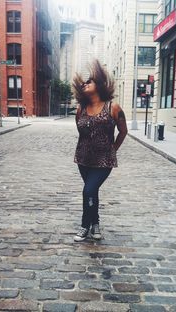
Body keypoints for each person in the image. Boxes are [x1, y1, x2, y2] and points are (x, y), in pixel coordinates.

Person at [73, 60, 128, 242]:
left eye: (89, 81)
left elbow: (123, 131)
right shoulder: (80, 109)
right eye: (84, 83)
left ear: (100, 85)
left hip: (104, 161)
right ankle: (95, 224)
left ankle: (84, 226)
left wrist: (113, 149)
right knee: (92, 191)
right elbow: (81, 131)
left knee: (88, 191)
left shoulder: (113, 107)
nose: (85, 84)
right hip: (83, 159)